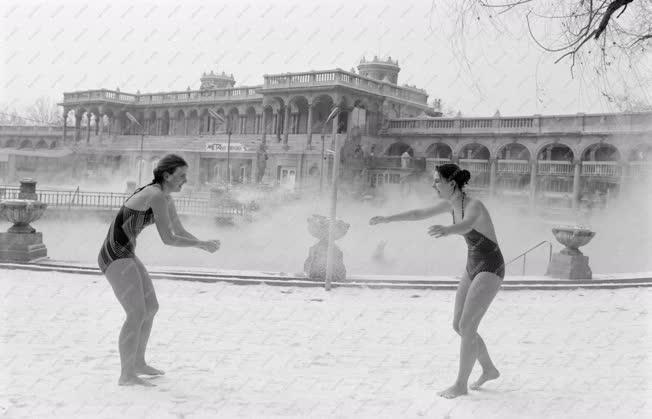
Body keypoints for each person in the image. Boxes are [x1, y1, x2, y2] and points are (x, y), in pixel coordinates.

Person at [369, 163, 504, 399]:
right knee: (458, 325)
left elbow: (467, 224)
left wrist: (448, 229)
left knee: (467, 326)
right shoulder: (449, 204)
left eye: (436, 181)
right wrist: (387, 218)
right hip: (472, 265)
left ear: (451, 184)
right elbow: (418, 214)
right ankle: (489, 369)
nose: (433, 185)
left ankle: (460, 385)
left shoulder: (474, 205)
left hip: (491, 267)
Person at [98, 154, 220, 386]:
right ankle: (126, 375)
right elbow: (168, 239)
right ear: (167, 175)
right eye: (181, 176)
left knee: (151, 307)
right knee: (135, 313)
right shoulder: (155, 195)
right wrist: (200, 244)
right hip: (114, 255)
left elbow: (179, 231)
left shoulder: (165, 197)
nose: (185, 180)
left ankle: (138, 363)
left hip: (125, 254)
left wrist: (202, 243)